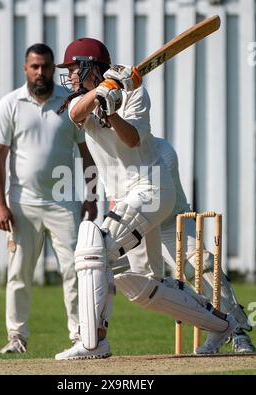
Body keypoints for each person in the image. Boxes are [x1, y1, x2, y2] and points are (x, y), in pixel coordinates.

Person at [54, 37, 239, 360]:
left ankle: (93, 342)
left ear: (90, 67)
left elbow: (132, 139)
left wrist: (112, 110)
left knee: (92, 246)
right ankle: (222, 326)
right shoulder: (78, 101)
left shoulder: (135, 92)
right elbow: (76, 114)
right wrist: (100, 93)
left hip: (151, 189)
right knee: (140, 285)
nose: (69, 76)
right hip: (125, 198)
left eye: (73, 68)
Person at [0, 43, 97, 354]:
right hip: (23, 203)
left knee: (75, 271)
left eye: (46, 66)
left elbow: (87, 153)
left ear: (53, 69)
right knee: (19, 273)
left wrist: (91, 196)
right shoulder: (10, 104)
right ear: (26, 69)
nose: (40, 72)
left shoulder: (70, 103)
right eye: (35, 67)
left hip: (65, 202)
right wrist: (0, 204)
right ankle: (16, 337)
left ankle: (81, 336)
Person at [123, 137, 255, 353]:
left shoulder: (162, 149)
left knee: (200, 265)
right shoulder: (111, 154)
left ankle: (236, 330)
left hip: (172, 221)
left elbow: (154, 197)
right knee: (104, 266)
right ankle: (90, 338)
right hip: (135, 222)